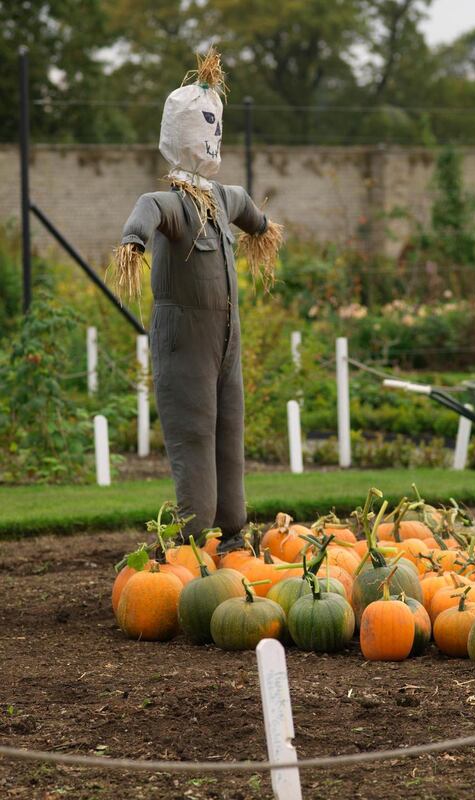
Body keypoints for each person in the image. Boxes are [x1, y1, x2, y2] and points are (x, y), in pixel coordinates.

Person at [111, 49, 282, 553]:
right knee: (194, 435)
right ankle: (191, 539)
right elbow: (145, 213)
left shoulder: (223, 199)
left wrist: (266, 233)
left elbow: (251, 212)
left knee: (230, 432)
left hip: (227, 344)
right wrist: (133, 245)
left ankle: (234, 531)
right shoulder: (172, 205)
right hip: (184, 342)